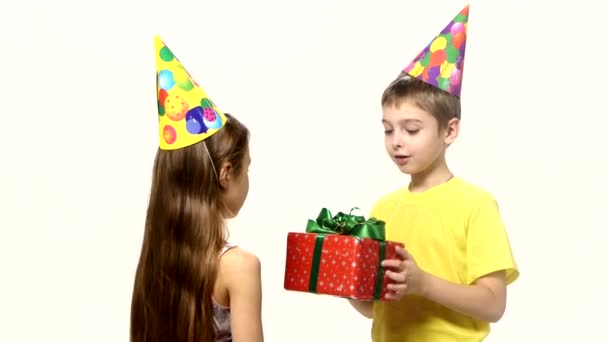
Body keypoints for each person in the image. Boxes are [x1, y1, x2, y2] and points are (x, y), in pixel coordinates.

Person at [348, 5, 519, 341]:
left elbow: (494, 304)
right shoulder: (383, 209)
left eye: (411, 130)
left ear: (449, 131)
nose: (397, 142)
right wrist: (346, 284)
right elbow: (375, 306)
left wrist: (423, 284)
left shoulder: (476, 204)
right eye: (388, 130)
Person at [130, 36, 263, 342]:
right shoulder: (239, 267)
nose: (247, 179)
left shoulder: (154, 262)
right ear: (226, 173)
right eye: (247, 168)